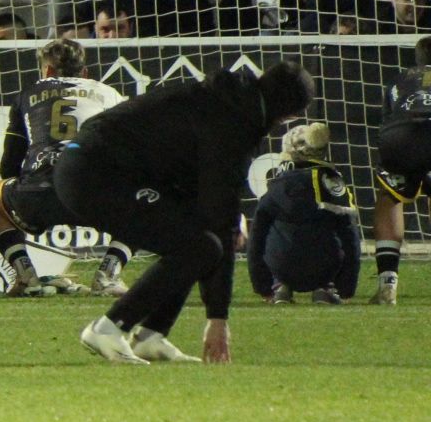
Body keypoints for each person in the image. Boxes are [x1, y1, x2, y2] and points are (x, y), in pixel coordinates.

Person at [55, 60, 316, 365]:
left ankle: (151, 335)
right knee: (200, 246)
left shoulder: (225, 101)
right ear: (286, 113)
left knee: (199, 241)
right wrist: (218, 318)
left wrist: (230, 220)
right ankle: (109, 328)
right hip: (94, 174)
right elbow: (218, 223)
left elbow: (210, 209)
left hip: (91, 165)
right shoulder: (232, 124)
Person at [0, 37, 134, 297]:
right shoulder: (111, 95)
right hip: (92, 194)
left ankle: (26, 276)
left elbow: (9, 164)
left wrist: (21, 199)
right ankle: (108, 275)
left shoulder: (27, 95)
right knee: (146, 196)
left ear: (48, 71)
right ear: (85, 72)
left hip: (38, 194)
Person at [247, 122, 361, 305]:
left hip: (282, 266)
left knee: (271, 232)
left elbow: (255, 242)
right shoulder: (332, 184)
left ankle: (280, 287)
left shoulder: (275, 188)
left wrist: (262, 287)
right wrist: (347, 288)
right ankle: (325, 288)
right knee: (335, 233)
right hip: (324, 267)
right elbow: (351, 240)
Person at [370, 34, 431, 304]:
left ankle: (388, 284)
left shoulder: (399, 79)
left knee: (390, 197)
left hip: (400, 135)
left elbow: (387, 118)